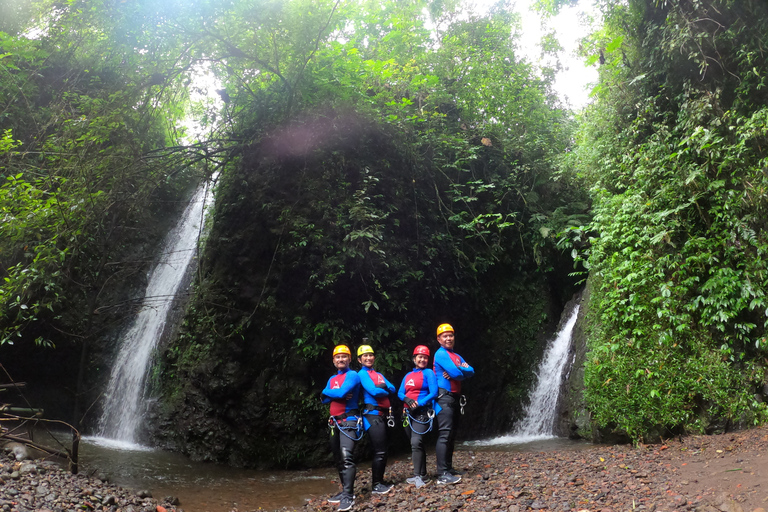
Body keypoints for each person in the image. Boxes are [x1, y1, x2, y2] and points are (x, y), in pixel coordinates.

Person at [321, 345, 362, 512]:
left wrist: (330, 392)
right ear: (333, 361)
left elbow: (338, 394)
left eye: (344, 356)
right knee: (338, 459)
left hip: (349, 421)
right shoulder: (332, 379)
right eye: (338, 357)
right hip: (334, 423)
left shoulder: (353, 375)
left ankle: (348, 496)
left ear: (350, 359)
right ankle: (345, 490)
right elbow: (323, 398)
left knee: (347, 457)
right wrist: (330, 392)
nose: (341, 359)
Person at [433, 323, 474, 485]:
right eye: (445, 336)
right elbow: (459, 372)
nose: (448, 338)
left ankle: (448, 468)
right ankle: (442, 473)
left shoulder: (456, 356)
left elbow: (471, 371)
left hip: (455, 398)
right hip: (444, 398)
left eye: (451, 335)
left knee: (451, 435)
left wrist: (458, 372)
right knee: (445, 434)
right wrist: (460, 371)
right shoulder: (441, 354)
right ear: (439, 339)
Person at [356, 343, 396, 495]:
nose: (368, 358)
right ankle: (376, 484)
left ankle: (379, 481)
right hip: (371, 415)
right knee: (379, 451)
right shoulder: (362, 374)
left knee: (383, 450)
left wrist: (383, 386)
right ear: (359, 360)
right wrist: (384, 387)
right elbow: (373, 391)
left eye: (370, 355)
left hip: (383, 415)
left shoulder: (378, 374)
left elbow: (393, 388)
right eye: (365, 356)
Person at [398, 345, 439, 488]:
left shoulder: (428, 373)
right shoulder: (408, 376)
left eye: (425, 357)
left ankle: (417, 476)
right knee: (416, 444)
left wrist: (418, 403)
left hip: (421, 413)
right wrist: (407, 400)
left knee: (416, 443)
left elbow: (433, 392)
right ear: (414, 359)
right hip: (408, 413)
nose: (422, 359)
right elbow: (400, 392)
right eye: (420, 357)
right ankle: (423, 475)